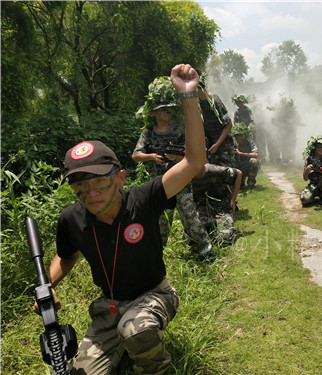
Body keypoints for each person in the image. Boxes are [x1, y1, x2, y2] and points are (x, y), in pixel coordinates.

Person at [33, 64, 206, 374]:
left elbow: (194, 161)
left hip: (155, 295)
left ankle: (155, 367)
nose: (91, 192)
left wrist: (188, 95)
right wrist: (46, 286)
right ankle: (125, 350)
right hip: (110, 307)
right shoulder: (71, 218)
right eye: (80, 185)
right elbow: (65, 255)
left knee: (136, 330)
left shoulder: (145, 198)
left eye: (99, 181)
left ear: (120, 178)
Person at [132, 77, 212, 257]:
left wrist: (178, 157)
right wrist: (152, 156)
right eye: (162, 109)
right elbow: (136, 155)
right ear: (153, 113)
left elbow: (193, 153)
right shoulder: (148, 133)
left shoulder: (177, 131)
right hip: (160, 184)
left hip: (182, 180)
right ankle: (156, 254)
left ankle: (204, 249)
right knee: (162, 219)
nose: (167, 111)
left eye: (169, 109)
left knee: (189, 216)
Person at [192, 163, 242, 246]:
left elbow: (238, 174)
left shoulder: (215, 170)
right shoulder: (186, 176)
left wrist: (233, 199)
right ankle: (211, 226)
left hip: (223, 209)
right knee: (192, 239)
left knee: (223, 240)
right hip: (204, 210)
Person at [196, 70, 235, 167]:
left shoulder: (214, 100)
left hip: (224, 146)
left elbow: (229, 124)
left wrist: (217, 144)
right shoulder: (196, 103)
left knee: (227, 175)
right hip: (209, 146)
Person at [300, 136, 322, 206]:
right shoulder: (309, 159)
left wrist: (319, 168)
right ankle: (311, 195)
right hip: (313, 185)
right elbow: (305, 179)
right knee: (304, 200)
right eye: (319, 147)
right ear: (315, 148)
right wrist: (307, 169)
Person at [232, 123, 259, 189]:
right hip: (239, 167)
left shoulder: (250, 143)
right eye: (236, 137)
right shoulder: (234, 145)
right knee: (240, 185)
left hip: (248, 165)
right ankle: (240, 181)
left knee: (253, 161)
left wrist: (241, 153)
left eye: (239, 136)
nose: (237, 139)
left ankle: (251, 183)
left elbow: (256, 154)